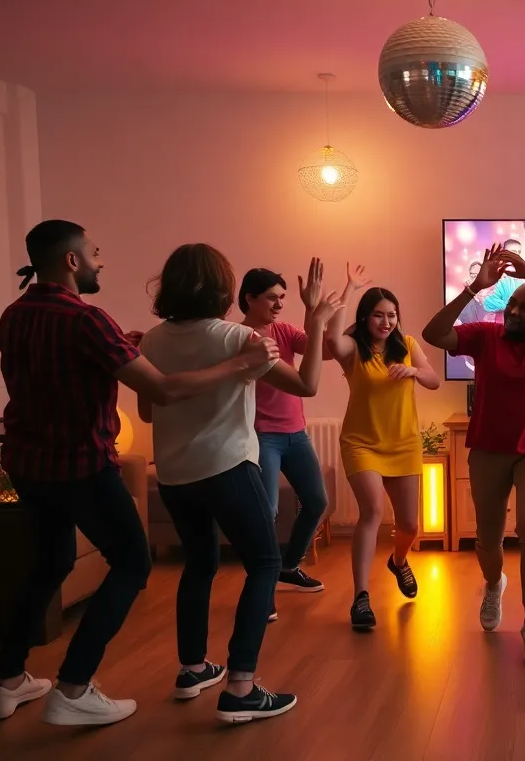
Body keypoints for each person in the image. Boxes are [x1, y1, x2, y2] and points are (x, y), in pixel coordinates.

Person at [0, 220, 277, 726]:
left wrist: (125, 344)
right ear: (71, 261)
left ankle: (7, 681)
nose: (100, 262)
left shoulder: (14, 314)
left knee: (47, 565)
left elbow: (67, 367)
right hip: (80, 466)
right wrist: (240, 365)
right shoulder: (86, 319)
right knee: (132, 564)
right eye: (94, 254)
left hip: (28, 466)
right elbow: (162, 391)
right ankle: (73, 687)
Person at [139, 246, 340, 722]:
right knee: (266, 563)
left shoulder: (151, 340)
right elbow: (307, 385)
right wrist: (315, 321)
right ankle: (241, 687)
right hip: (228, 467)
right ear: (225, 289)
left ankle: (192, 669)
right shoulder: (237, 337)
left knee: (200, 564)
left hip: (173, 473)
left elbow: (149, 410)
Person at [421, 244, 525, 665]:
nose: (513, 312)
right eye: (511, 304)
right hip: (489, 447)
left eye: (524, 308)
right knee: (488, 538)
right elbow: (433, 334)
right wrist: (473, 289)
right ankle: (494, 585)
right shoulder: (485, 336)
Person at [238, 264, 368, 612]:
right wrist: (316, 312)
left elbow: (322, 350)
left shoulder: (283, 330)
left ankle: (288, 565)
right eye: (271, 298)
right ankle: (261, 591)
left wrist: (344, 293)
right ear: (249, 298)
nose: (279, 304)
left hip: (296, 432)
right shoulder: (242, 338)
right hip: (263, 436)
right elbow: (305, 378)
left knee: (317, 502)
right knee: (267, 512)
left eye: (282, 297)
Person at [326, 286, 441, 630]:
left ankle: (399, 560)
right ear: (365, 317)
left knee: (408, 525)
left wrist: (414, 372)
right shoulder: (353, 349)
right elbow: (333, 341)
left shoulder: (406, 346)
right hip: (361, 443)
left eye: (392, 315)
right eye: (379, 314)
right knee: (373, 511)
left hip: (403, 444)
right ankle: (361, 598)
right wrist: (345, 293)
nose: (386, 321)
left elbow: (433, 380)